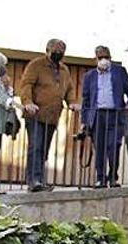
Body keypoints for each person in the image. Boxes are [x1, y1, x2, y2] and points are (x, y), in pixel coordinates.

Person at [20, 39, 80, 192]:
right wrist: (28, 102)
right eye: (56, 51)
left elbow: (70, 89)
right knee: (36, 146)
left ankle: (39, 179)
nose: (58, 54)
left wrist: (72, 102)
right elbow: (26, 84)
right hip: (36, 114)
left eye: (61, 52)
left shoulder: (64, 70)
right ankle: (33, 180)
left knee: (44, 148)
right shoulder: (36, 65)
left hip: (52, 116)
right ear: (47, 50)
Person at [80, 46, 128, 188]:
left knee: (114, 147)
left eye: (106, 57)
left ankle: (113, 177)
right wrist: (84, 121)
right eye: (100, 58)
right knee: (99, 148)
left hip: (115, 114)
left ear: (110, 58)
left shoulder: (119, 72)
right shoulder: (89, 76)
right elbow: (86, 100)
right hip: (97, 115)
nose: (104, 60)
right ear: (95, 59)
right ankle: (100, 178)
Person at [0, 52, 22, 195]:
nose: (4, 67)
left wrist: (8, 87)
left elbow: (6, 95)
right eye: (2, 64)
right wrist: (12, 103)